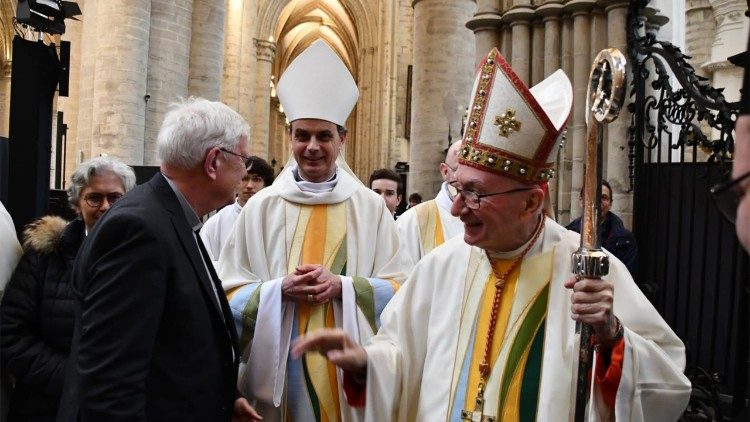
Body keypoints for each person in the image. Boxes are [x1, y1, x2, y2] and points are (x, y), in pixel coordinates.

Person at [292, 48, 691, 421]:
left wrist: (611, 336)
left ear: (532, 203)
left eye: (475, 193)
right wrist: (365, 363)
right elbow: (400, 355)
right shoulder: (440, 267)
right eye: (457, 188)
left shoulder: (587, 270)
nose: (457, 207)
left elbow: (668, 385)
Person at [218, 40, 405, 422]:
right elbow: (226, 293)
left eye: (324, 136)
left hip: (347, 375)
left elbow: (404, 287)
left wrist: (343, 287)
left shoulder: (369, 207)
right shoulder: (263, 207)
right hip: (276, 379)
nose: (312, 147)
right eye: (302, 135)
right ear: (290, 137)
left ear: (343, 139)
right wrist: (277, 290)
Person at [56, 98, 260, 421]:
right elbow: (111, 382)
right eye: (243, 160)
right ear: (213, 162)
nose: (246, 173)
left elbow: (171, 343)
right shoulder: (138, 231)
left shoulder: (171, 217)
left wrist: (221, 400)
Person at [1, 157, 135, 422]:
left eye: (115, 198)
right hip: (45, 406)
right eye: (94, 198)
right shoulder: (45, 257)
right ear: (76, 204)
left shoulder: (143, 260)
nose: (105, 207)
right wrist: (76, 381)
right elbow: (10, 334)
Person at [396, 140, 463, 270]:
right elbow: (401, 281)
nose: (470, 177)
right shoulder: (412, 221)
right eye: (461, 169)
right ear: (445, 171)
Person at [200, 155, 274, 260]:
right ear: (236, 181)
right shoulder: (216, 223)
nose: (249, 185)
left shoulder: (275, 219)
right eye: (244, 179)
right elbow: (206, 263)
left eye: (256, 179)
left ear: (266, 185)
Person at [566, 180, 638, 277]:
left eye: (604, 198)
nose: (597, 201)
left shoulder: (624, 240)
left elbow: (626, 278)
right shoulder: (569, 233)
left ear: (610, 204)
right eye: (591, 196)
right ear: (581, 201)